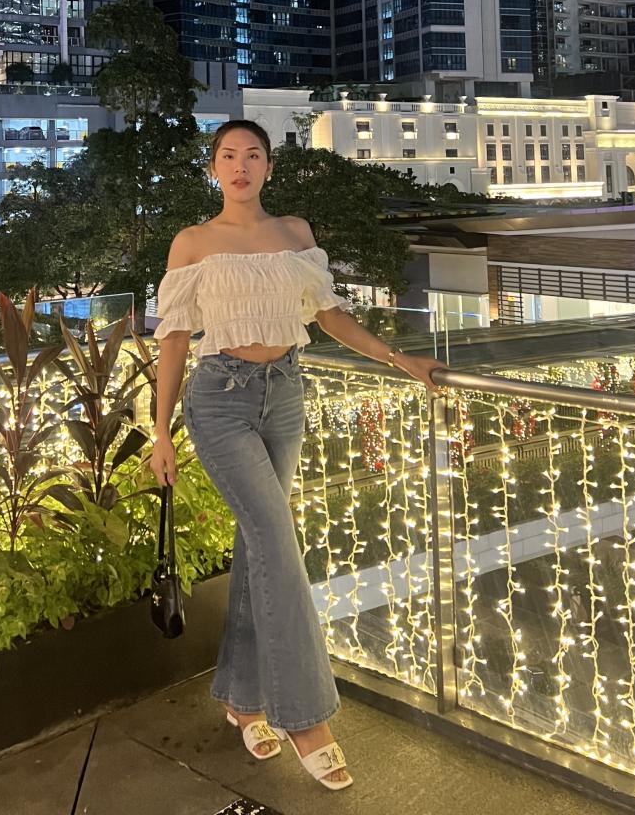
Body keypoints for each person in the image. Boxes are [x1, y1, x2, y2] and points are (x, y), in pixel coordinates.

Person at [148, 119, 447, 792]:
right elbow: (173, 338)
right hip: (220, 401)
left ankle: (242, 699)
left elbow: (329, 315)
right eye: (229, 155)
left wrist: (400, 359)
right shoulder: (193, 242)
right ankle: (306, 719)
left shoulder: (295, 233)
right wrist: (159, 431)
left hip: (284, 396)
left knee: (261, 549)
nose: (241, 165)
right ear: (213, 168)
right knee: (277, 543)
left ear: (269, 167)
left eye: (253, 155)